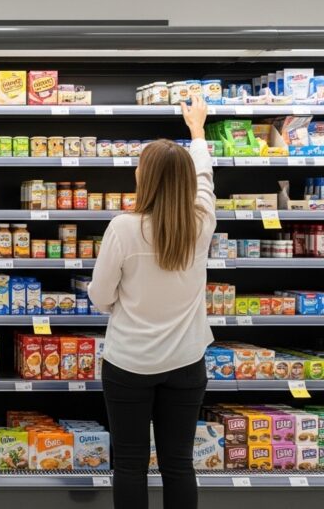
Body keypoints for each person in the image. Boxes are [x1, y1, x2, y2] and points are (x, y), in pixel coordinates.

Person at [88, 94, 214, 509]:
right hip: (186, 362)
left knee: (129, 463)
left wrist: (120, 306)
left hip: (129, 363)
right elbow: (206, 177)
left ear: (147, 178)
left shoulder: (123, 228)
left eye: (140, 168)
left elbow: (100, 295)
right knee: (179, 463)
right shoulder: (201, 223)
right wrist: (197, 131)